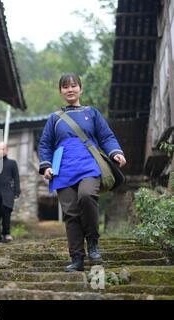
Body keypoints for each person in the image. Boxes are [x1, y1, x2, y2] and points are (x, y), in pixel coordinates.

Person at [39, 73, 127, 272]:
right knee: (71, 213)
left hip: (89, 163)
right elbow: (45, 144)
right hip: (63, 169)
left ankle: (93, 242)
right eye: (65, 87)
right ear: (60, 91)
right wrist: (46, 166)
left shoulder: (92, 113)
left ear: (80, 88)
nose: (70, 89)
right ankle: (77, 258)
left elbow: (106, 136)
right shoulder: (54, 118)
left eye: (73, 86)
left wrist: (116, 152)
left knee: (87, 196)